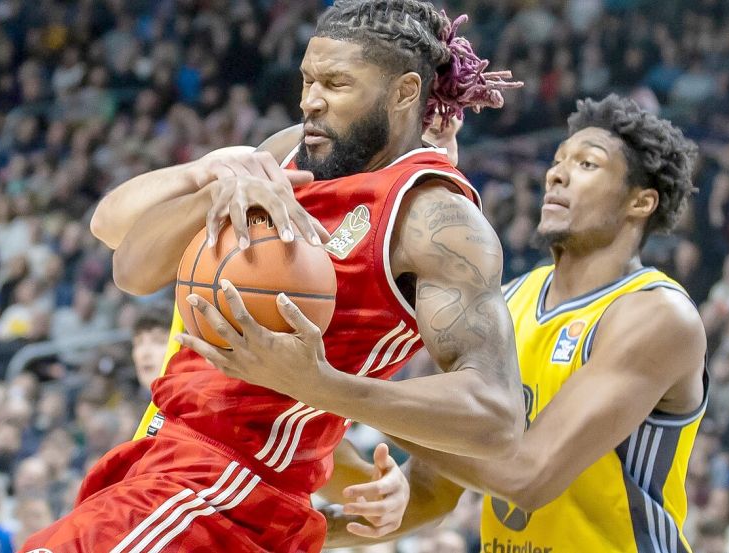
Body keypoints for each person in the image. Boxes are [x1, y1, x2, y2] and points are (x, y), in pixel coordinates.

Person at [27, 1, 523, 551]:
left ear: (405, 92)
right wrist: (213, 191)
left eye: (336, 84)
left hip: (222, 491)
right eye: (308, 80)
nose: (312, 100)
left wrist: (322, 387)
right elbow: (133, 271)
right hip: (161, 462)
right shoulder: (287, 153)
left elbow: (497, 417)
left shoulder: (435, 217)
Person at [339, 95, 708, 552]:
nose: (556, 174)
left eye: (587, 164)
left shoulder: (656, 315)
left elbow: (528, 476)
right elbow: (433, 491)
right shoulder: (510, 300)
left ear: (641, 201)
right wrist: (301, 532)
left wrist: (333, 391)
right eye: (557, 161)